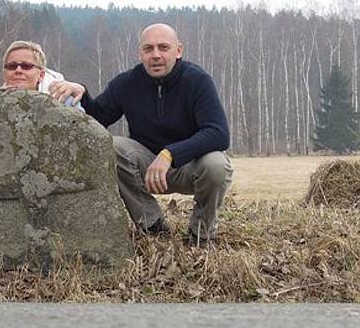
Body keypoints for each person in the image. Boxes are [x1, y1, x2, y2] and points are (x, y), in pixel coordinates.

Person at [49, 23, 233, 246]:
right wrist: (83, 94)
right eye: (149, 49)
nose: (156, 55)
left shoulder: (197, 81)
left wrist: (169, 154)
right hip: (145, 168)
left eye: (163, 47)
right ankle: (152, 226)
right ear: (140, 54)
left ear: (178, 50)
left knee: (217, 164)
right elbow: (97, 121)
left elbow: (218, 133)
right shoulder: (126, 83)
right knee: (111, 147)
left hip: (190, 167)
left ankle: (200, 234)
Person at [0, 40, 80, 133]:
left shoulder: (62, 97)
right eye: (12, 66)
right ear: (4, 73)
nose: (18, 70)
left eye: (26, 66)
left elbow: (82, 134)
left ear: (41, 75)